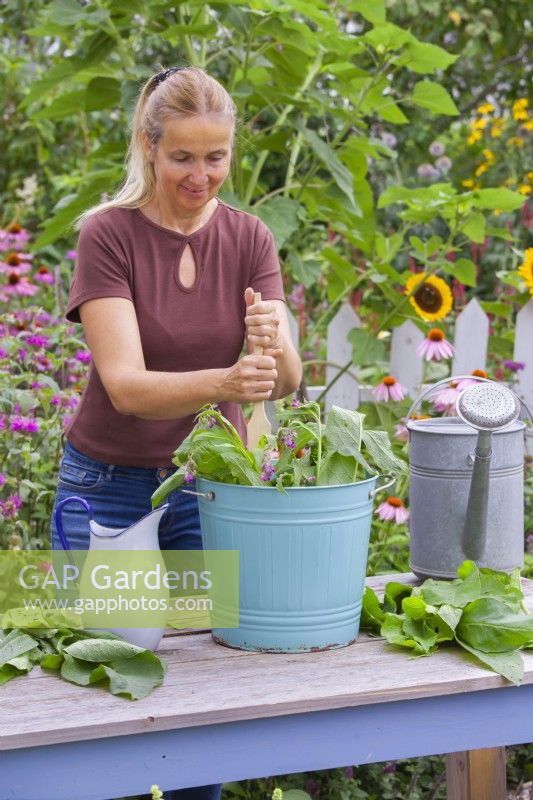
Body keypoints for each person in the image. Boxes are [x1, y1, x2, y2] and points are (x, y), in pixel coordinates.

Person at [49, 66, 302, 800]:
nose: (201, 175)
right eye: (183, 157)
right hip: (111, 492)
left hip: (204, 495)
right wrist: (226, 383)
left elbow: (283, 381)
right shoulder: (109, 235)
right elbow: (126, 388)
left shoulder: (250, 237)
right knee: (105, 699)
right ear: (149, 147)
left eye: (215, 157)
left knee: (201, 707)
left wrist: (273, 340)